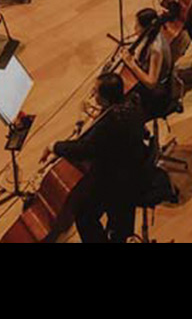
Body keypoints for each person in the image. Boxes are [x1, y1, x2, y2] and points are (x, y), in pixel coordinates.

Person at [50, 72, 148, 243]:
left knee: (84, 215)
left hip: (119, 182)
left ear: (105, 99)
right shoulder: (132, 103)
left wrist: (54, 146)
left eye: (95, 92)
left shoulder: (108, 124)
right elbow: (110, 130)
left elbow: (85, 149)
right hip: (136, 166)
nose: (93, 94)